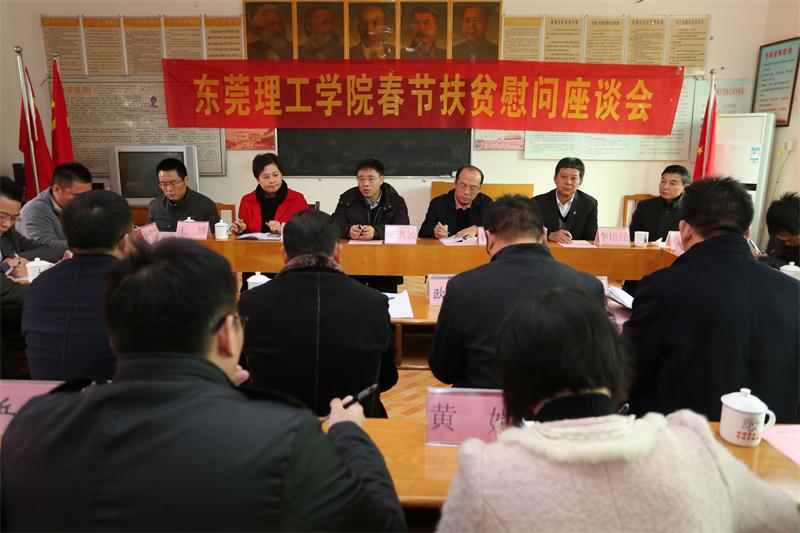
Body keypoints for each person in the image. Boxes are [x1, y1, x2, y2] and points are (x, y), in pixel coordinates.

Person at [1, 239, 406, 531]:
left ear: (113, 337)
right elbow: (384, 524)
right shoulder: (284, 435)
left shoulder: (34, 425)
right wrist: (349, 434)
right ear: (228, 335)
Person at [437, 289, 800, 532]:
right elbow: (784, 520)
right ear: (615, 360)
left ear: (513, 378)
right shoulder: (694, 448)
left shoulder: (486, 472)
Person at [623, 178, 800, 423]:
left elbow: (629, 368)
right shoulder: (793, 291)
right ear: (747, 233)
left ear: (685, 230)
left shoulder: (663, 286)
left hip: (683, 435)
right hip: (773, 437)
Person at [429, 195, 604, 388]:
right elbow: (596, 363)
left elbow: (445, 370)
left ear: (489, 238)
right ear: (544, 236)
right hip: (560, 402)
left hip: (484, 401)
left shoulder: (463, 287)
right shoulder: (589, 286)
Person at [239, 210, 398, 417]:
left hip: (272, 425)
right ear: (338, 253)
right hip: (356, 421)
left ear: (284, 255)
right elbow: (387, 378)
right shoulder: (373, 302)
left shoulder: (250, 302)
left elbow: (240, 374)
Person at [21, 190, 134, 381]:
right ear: (125, 240)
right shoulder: (135, 283)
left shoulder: (40, 283)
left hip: (46, 395)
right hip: (115, 395)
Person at [332, 158, 409, 293]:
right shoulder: (347, 199)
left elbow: (403, 230)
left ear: (381, 179)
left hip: (385, 264)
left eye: (371, 179)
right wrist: (348, 230)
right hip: (354, 263)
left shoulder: (396, 201)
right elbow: (334, 225)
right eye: (361, 179)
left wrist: (376, 232)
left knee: (384, 301)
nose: (365, 184)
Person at [622, 164, 690, 295]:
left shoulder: (691, 210)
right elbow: (631, 237)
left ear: (685, 187)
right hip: (642, 267)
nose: (665, 186)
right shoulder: (645, 206)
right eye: (663, 181)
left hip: (675, 269)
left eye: (672, 183)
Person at [17, 162, 93, 256]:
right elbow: (44, 248)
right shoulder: (35, 211)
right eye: (78, 195)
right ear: (56, 189)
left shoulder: (78, 204)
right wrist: (91, 246)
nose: (85, 200)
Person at [231, 153, 308, 236]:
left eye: (275, 175)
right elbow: (243, 232)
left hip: (286, 244)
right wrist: (240, 229)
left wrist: (283, 229)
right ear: (257, 179)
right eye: (266, 177)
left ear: (281, 174)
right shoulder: (247, 200)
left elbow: (307, 230)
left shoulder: (297, 199)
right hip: (255, 244)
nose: (272, 180)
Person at [0, 176, 60, 277]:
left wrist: (15, 259)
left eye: (14, 218)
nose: (7, 224)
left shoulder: (9, 233)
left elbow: (50, 252)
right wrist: (4, 266)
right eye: (2, 216)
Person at [533, 157, 598, 244]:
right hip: (546, 251)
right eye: (563, 177)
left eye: (573, 178)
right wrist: (550, 235)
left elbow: (591, 238)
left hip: (577, 252)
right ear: (555, 178)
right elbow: (529, 232)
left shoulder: (589, 204)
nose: (568, 182)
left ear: (580, 182)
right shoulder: (537, 203)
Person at [146, 158, 219, 232]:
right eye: (163, 184)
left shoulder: (207, 206)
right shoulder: (155, 206)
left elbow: (215, 237)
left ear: (185, 181)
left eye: (173, 183)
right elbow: (148, 236)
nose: (169, 189)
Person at [419, 165, 493, 239]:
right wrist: (435, 232)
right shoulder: (438, 203)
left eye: (473, 188)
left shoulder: (486, 203)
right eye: (462, 186)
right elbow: (423, 233)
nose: (466, 192)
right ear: (455, 183)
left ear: (479, 189)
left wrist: (478, 230)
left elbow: (496, 231)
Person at [761, 191, 799, 268]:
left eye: (791, 240)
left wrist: (773, 262)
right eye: (782, 240)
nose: (787, 243)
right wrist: (766, 259)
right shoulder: (778, 237)